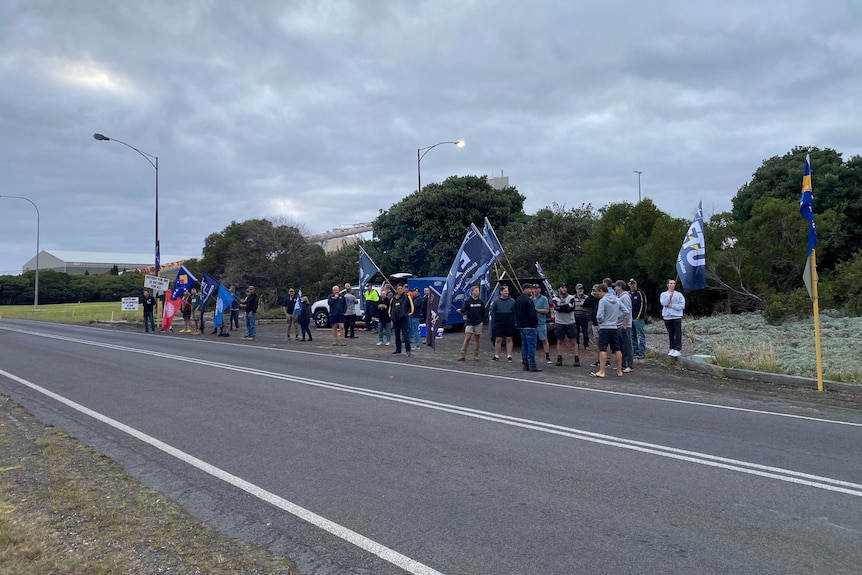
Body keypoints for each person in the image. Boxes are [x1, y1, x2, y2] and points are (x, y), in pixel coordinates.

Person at [591, 284, 623, 378]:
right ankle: (619, 370)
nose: (597, 294)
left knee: (603, 348)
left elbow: (599, 315)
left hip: (605, 327)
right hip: (614, 327)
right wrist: (617, 318)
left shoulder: (603, 300)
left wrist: (601, 321)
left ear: (601, 291)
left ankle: (602, 371)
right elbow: (625, 311)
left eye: (598, 292)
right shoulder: (617, 299)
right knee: (617, 348)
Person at [552, 283, 580, 367]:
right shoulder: (555, 298)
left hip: (570, 322)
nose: (564, 289)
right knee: (559, 341)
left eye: (565, 288)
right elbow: (557, 308)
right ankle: (559, 358)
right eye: (562, 288)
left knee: (573, 341)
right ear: (559, 289)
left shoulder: (571, 298)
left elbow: (572, 308)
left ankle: (576, 358)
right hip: (559, 322)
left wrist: (563, 307)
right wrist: (567, 306)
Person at [515, 284, 541, 371]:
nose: (532, 291)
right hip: (529, 325)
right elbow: (532, 314)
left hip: (521, 325)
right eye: (530, 289)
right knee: (531, 345)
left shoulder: (518, 300)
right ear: (525, 289)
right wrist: (535, 323)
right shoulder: (529, 301)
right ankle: (532, 364)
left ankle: (525, 363)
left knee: (524, 345)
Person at [457, 285, 485, 361]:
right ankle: (463, 353)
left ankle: (476, 354)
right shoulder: (468, 301)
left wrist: (482, 321)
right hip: (470, 322)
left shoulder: (481, 302)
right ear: (472, 292)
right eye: (475, 291)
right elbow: (464, 309)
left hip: (478, 322)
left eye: (478, 291)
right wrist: (460, 310)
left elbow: (483, 312)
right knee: (467, 338)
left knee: (477, 339)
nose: (477, 292)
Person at [490, 285, 516, 362]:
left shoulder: (512, 301)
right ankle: (496, 355)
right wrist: (493, 323)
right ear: (501, 292)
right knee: (498, 339)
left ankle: (509, 356)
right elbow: (493, 313)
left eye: (507, 291)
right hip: (499, 323)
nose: (506, 292)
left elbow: (515, 312)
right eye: (505, 291)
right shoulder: (496, 302)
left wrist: (515, 322)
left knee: (509, 339)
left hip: (509, 323)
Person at [661, 279, 686, 357]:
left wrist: (672, 306)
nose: (672, 285)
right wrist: (669, 297)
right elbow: (664, 303)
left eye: (674, 283)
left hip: (676, 316)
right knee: (670, 333)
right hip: (667, 317)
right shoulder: (663, 294)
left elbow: (682, 306)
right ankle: (672, 347)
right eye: (671, 283)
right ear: (667, 285)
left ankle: (678, 349)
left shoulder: (679, 295)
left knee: (677, 333)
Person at [613, 280, 634, 373]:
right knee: (622, 345)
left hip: (625, 324)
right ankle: (623, 364)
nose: (614, 288)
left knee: (627, 345)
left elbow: (628, 310)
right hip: (619, 323)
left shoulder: (625, 297)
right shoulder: (618, 297)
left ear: (620, 287)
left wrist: (625, 324)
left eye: (616, 286)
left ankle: (630, 365)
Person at [389, 284, 414, 356]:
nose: (400, 290)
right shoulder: (393, 299)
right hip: (396, 320)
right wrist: (391, 316)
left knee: (406, 335)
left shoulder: (406, 297)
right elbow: (390, 308)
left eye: (401, 288)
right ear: (396, 290)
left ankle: (408, 350)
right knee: (397, 336)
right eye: (398, 289)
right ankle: (398, 349)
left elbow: (411, 307)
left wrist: (407, 314)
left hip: (403, 319)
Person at [532, 283, 552, 365]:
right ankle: (532, 356)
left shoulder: (544, 299)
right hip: (532, 323)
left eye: (537, 288)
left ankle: (547, 356)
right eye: (534, 288)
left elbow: (546, 310)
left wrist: (537, 310)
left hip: (540, 322)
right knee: (532, 341)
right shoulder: (530, 299)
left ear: (539, 290)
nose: (535, 290)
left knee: (544, 339)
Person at [628, 279, 647, 359]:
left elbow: (643, 305)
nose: (633, 285)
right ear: (629, 284)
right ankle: (635, 351)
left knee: (640, 335)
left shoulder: (640, 293)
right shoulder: (628, 294)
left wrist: (640, 315)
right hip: (630, 318)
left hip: (638, 318)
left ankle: (641, 351)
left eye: (634, 283)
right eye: (631, 284)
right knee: (633, 335)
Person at [573, 283, 590, 352]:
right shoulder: (573, 297)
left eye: (581, 289)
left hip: (584, 316)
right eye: (579, 289)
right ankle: (577, 345)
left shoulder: (586, 297)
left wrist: (584, 303)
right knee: (576, 332)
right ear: (576, 289)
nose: (580, 290)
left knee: (585, 332)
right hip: (575, 316)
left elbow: (589, 305)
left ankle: (586, 345)